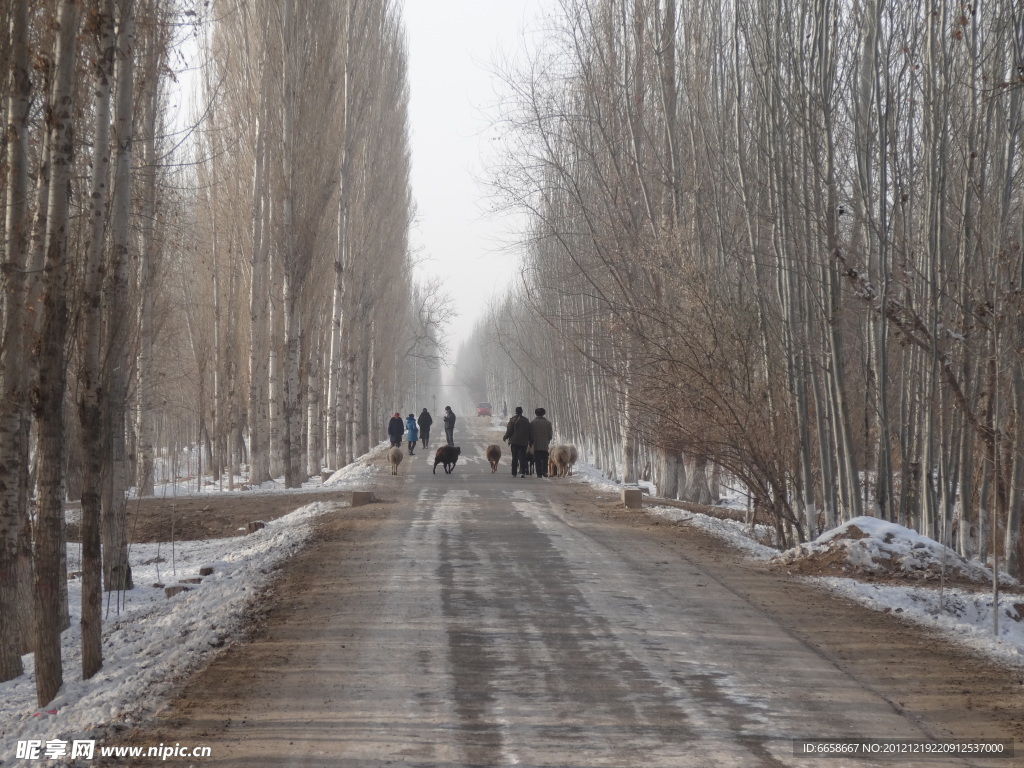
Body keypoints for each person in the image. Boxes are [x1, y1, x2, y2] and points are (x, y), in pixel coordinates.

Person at [503, 406, 533, 477]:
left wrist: (505, 437)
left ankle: (514, 472)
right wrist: (531, 441)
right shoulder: (526, 420)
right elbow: (530, 432)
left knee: (514, 457)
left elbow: (509, 430)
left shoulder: (512, 420)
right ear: (522, 412)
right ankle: (522, 472)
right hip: (523, 442)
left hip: (514, 442)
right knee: (522, 457)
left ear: (516, 411)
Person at [530, 407, 553, 478]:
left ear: (536, 413)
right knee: (545, 458)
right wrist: (548, 440)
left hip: (536, 444)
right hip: (545, 444)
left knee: (537, 459)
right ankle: (544, 471)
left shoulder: (532, 423)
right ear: (544, 414)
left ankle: (539, 473)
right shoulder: (548, 423)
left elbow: (530, 433)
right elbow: (550, 434)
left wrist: (531, 441)